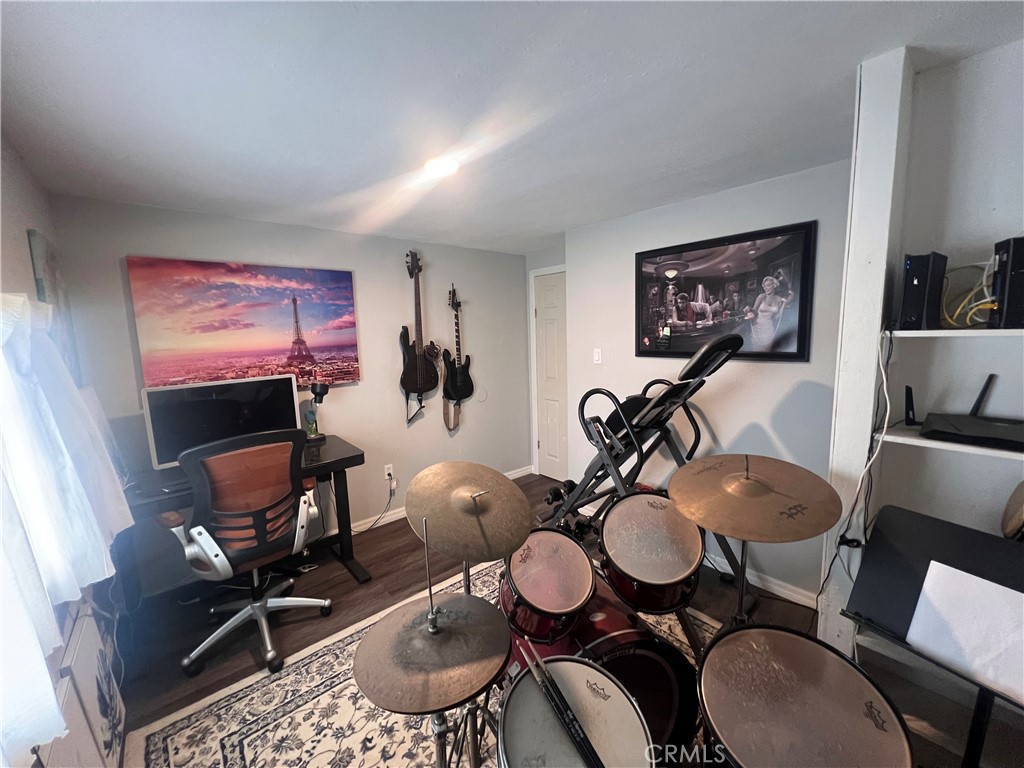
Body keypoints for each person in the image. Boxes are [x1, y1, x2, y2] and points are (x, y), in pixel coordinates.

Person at [747, 275, 791, 351]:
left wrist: (783, 306)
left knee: (767, 349)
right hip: (757, 327)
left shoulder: (779, 299)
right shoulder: (761, 297)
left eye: (768, 285)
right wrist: (749, 310)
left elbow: (777, 316)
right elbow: (754, 310)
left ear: (774, 285)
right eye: (764, 286)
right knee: (756, 349)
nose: (765, 288)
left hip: (769, 328)